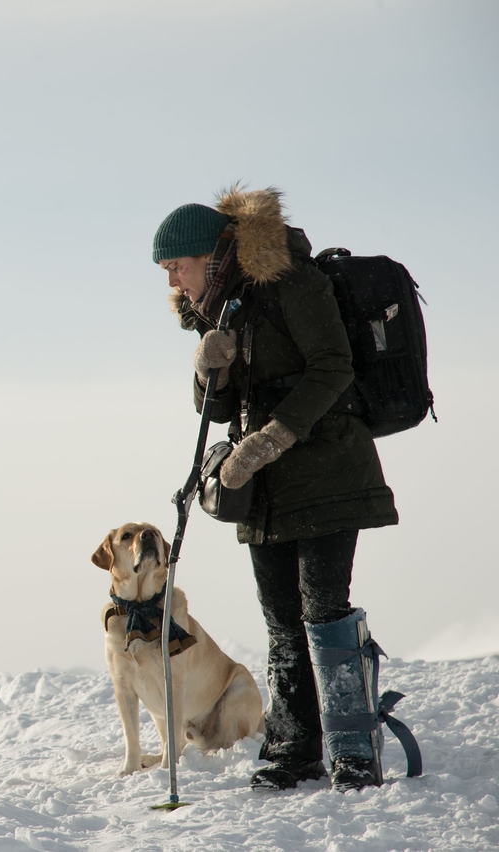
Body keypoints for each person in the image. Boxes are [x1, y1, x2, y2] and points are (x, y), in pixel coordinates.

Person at [153, 185, 398, 792]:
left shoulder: (292, 283)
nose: (174, 283)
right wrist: (209, 370)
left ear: (210, 255)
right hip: (263, 489)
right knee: (283, 619)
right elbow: (222, 409)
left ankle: (353, 750)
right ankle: (294, 749)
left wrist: (269, 440)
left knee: (323, 611)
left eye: (176, 268)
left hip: (326, 475)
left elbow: (333, 367)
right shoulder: (225, 308)